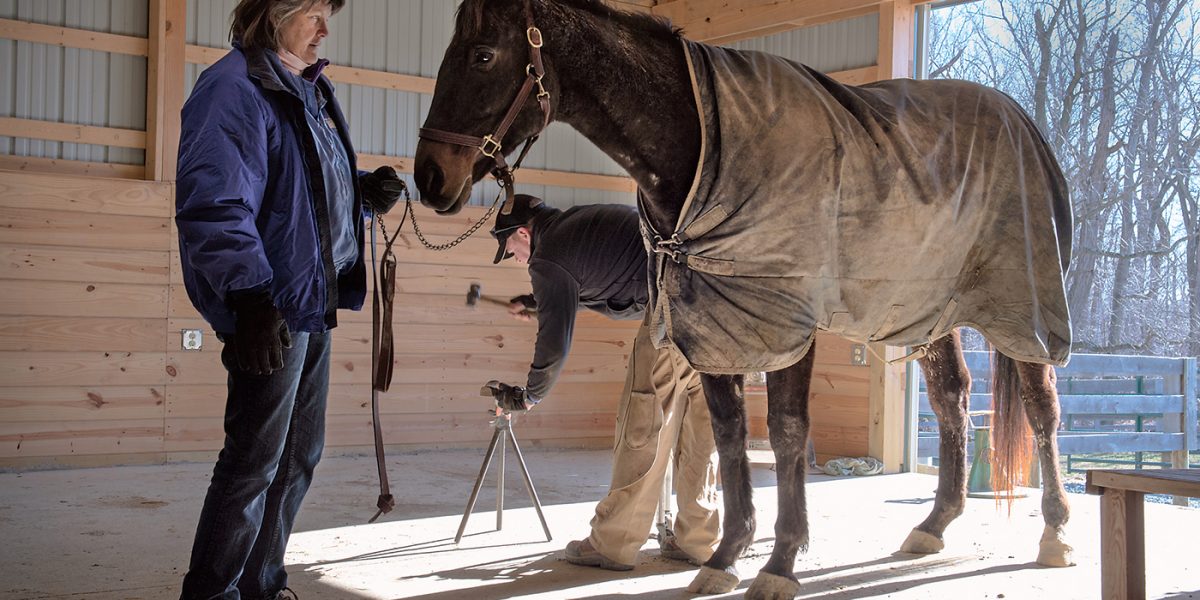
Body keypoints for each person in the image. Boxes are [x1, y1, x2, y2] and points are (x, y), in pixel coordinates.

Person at [174, 1, 404, 598]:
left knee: (298, 457)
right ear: (274, 12)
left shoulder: (306, 89)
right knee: (253, 462)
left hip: (311, 301)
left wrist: (361, 195)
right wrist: (250, 297)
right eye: (312, 13)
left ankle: (262, 585)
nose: (325, 29)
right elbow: (218, 203)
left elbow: (303, 187)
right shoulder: (232, 89)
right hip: (272, 306)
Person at [487, 194, 720, 571]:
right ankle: (698, 539)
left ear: (524, 233)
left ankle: (614, 542)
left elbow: (554, 344)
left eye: (509, 247)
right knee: (700, 427)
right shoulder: (575, 224)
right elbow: (599, 274)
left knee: (643, 424)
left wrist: (530, 397)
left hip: (670, 313)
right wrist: (536, 301)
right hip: (714, 305)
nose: (512, 257)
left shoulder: (548, 258)